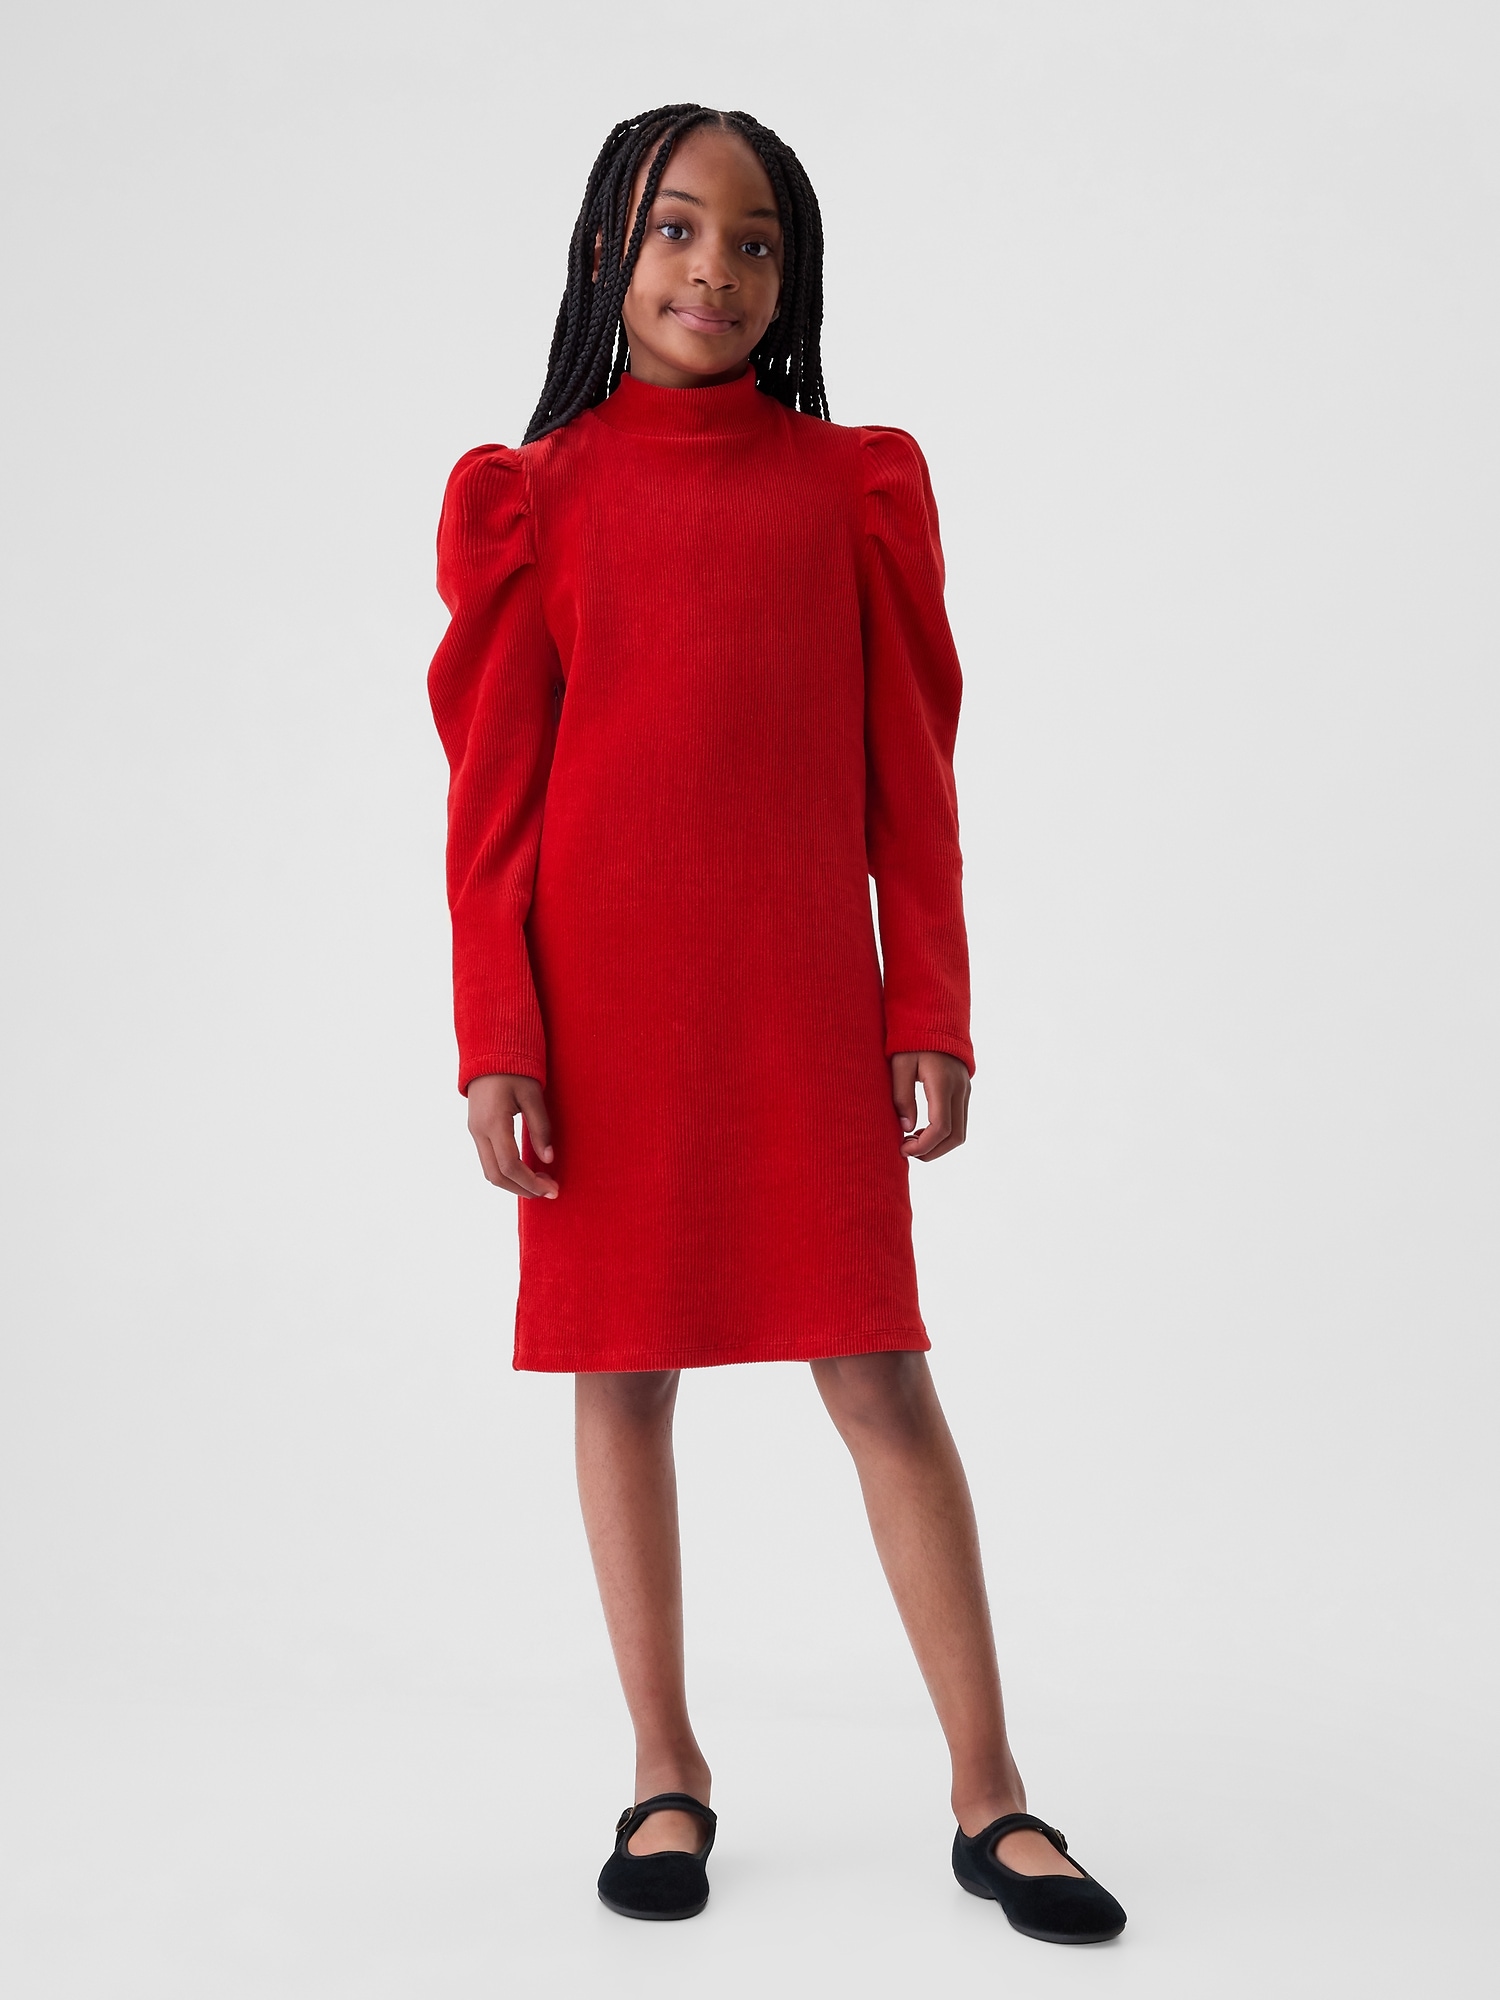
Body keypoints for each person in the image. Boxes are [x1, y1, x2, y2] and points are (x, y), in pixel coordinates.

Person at [428, 102, 1125, 1945]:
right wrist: (499, 1034)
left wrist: (931, 1005)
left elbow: (914, 780)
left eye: (755, 242)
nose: (715, 270)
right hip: (606, 1010)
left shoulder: (853, 488)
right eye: (676, 229)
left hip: (804, 998)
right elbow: (493, 802)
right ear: (606, 250)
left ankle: (991, 1794)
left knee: (879, 1375)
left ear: (792, 278)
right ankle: (666, 1767)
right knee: (622, 1374)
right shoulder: (532, 499)